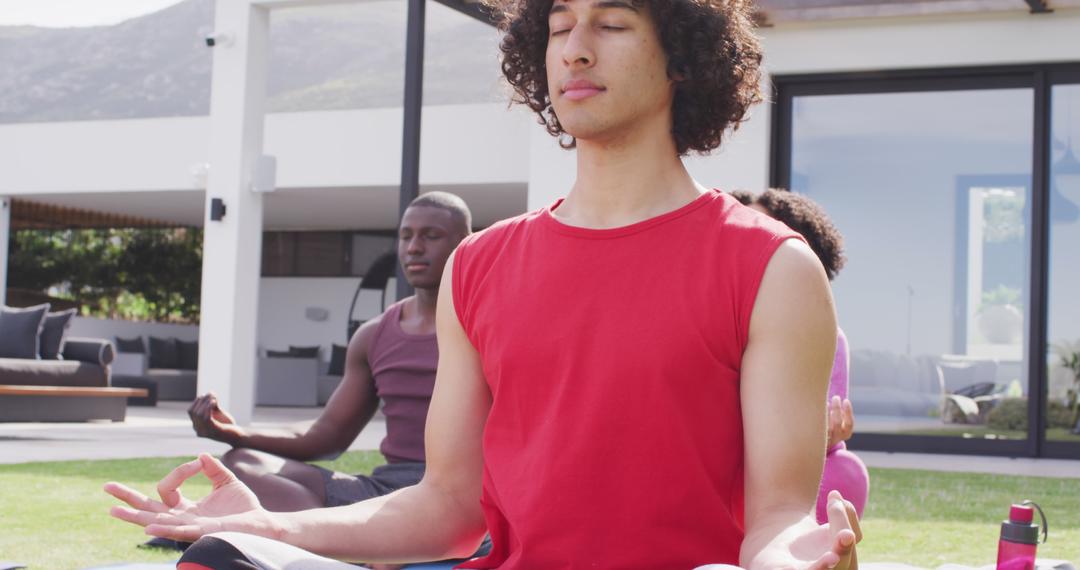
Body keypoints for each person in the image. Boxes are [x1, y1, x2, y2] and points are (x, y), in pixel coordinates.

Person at [105, 1, 863, 568]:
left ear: (682, 58)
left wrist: (801, 555)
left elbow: (778, 517)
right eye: (561, 25)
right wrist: (270, 523)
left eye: (613, 24)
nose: (576, 50)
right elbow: (448, 507)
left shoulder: (773, 268)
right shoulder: (481, 263)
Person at [184, 191, 472, 515]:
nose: (414, 247)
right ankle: (351, 543)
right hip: (389, 491)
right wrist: (234, 433)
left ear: (466, 242)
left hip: (464, 492)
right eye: (406, 236)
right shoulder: (374, 335)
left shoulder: (491, 325)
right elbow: (327, 437)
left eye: (431, 236)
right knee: (242, 462)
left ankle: (357, 543)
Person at [730, 188, 869, 525]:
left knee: (843, 466)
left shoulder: (828, 336)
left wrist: (821, 433)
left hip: (793, 461)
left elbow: (823, 419)